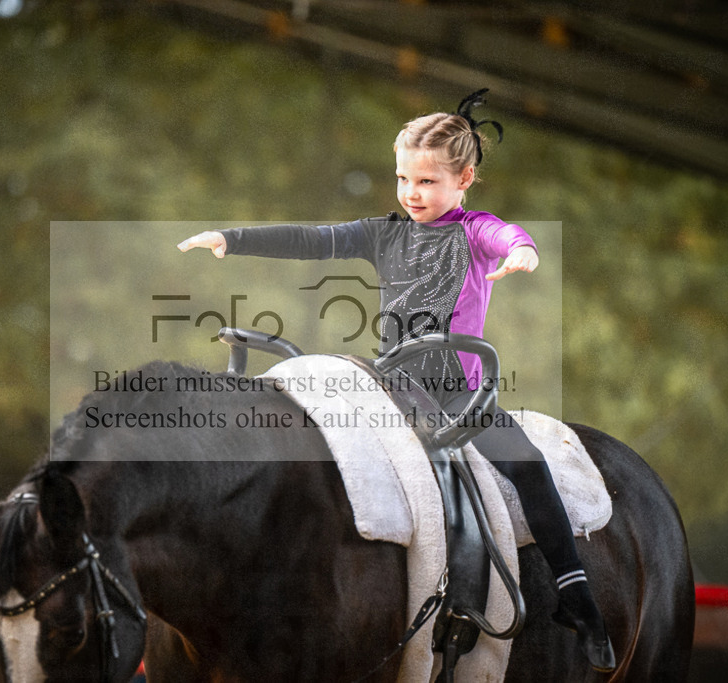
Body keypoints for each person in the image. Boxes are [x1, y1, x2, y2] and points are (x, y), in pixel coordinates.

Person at [177, 90, 615, 672]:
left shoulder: (474, 231)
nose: (412, 192)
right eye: (404, 178)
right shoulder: (384, 232)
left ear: (464, 179)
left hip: (459, 396)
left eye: (428, 182)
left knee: (528, 465)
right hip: (390, 387)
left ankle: (577, 596)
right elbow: (312, 241)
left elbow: (507, 235)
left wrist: (524, 251)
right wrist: (231, 239)